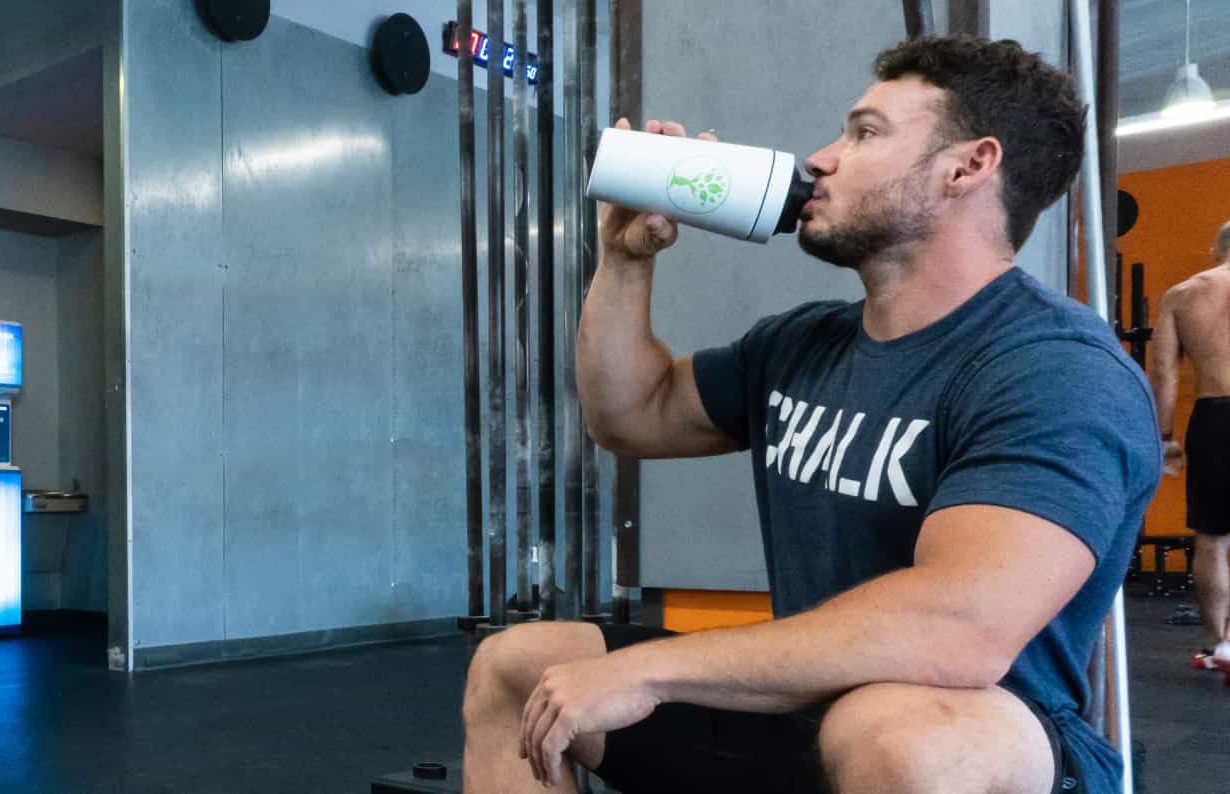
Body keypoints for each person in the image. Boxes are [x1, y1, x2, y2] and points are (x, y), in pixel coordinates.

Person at [461, 35, 1158, 794]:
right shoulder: (805, 344)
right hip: (807, 714)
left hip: (976, 736)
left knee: (900, 735)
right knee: (518, 665)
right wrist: (627, 259)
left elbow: (959, 627)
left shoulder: (1054, 369)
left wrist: (649, 670)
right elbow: (631, 415)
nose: (821, 158)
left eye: (864, 133)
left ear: (967, 167)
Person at [1154, 219, 1230, 672]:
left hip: (1215, 416)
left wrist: (1164, 437)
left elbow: (1165, 374)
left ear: (1215, 247)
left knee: (1213, 536)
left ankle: (1218, 644)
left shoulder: (1183, 294)